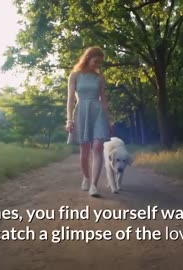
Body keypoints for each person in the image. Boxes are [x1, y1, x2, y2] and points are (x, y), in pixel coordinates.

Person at [65, 46, 112, 197]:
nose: (97, 65)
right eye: (95, 61)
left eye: (100, 63)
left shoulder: (99, 78)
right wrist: (69, 119)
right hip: (82, 111)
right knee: (84, 151)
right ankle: (86, 177)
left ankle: (94, 185)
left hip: (97, 112)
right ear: (88, 58)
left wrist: (109, 120)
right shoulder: (75, 75)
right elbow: (71, 98)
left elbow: (103, 100)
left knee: (98, 147)